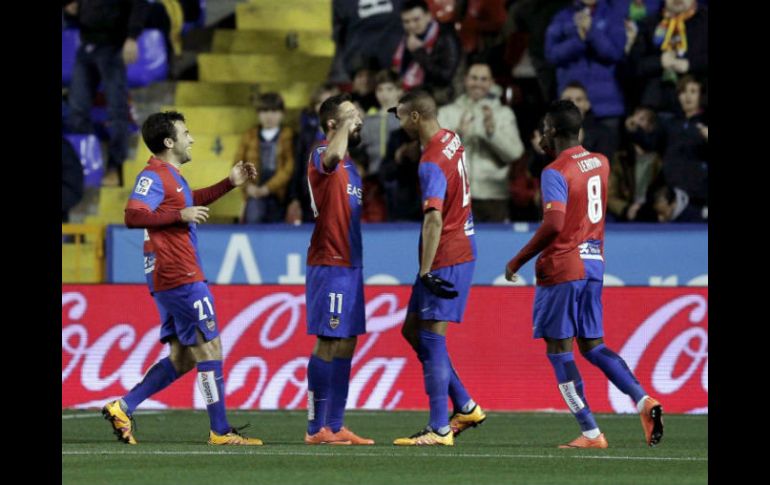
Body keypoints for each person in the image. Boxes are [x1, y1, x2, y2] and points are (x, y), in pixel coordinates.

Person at [504, 100, 664, 448]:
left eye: (545, 129)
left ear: (556, 132)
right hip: (594, 263)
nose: (542, 136)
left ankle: (591, 432)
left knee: (559, 351)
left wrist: (517, 260)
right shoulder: (601, 162)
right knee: (593, 345)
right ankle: (642, 400)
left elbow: (555, 223)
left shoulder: (555, 171)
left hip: (563, 266)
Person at [101, 111, 263, 446]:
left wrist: (228, 184)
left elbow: (189, 203)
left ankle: (123, 406)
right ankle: (220, 430)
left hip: (174, 274)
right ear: (169, 142)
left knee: (184, 356)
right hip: (178, 273)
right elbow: (133, 215)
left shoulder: (173, 176)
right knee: (209, 346)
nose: (192, 139)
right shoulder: (154, 175)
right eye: (185, 133)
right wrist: (179, 215)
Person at [389, 91, 485, 446]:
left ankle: (439, 428)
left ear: (416, 117)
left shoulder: (430, 161)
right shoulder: (451, 138)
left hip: (447, 253)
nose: (398, 124)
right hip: (460, 244)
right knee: (413, 331)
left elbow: (433, 219)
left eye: (400, 116)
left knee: (430, 336)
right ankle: (465, 405)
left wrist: (426, 270)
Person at [304, 94, 374, 446]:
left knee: (347, 342)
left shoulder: (352, 166)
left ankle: (335, 424)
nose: (359, 118)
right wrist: (345, 124)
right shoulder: (322, 154)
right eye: (350, 115)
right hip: (329, 263)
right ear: (333, 124)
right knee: (329, 341)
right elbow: (331, 154)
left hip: (350, 265)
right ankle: (316, 427)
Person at [64, 0, 149, 187]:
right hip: (87, 45)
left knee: (116, 111)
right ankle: (85, 165)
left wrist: (132, 37)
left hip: (114, 46)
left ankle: (115, 168)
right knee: (76, 110)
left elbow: (139, 5)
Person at [437, 61, 525, 222]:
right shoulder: (447, 113)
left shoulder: (503, 114)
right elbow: (436, 156)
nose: (478, 83)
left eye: (484, 79)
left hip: (493, 197)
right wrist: (458, 135)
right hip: (455, 196)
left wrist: (492, 134)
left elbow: (514, 153)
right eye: (474, 78)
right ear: (465, 80)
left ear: (491, 83)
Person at [234, 92, 294, 223]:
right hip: (254, 192)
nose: (269, 115)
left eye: (274, 111)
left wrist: (268, 188)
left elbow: (289, 167)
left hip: (280, 194)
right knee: (253, 220)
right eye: (264, 111)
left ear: (282, 113)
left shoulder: (288, 135)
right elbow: (237, 165)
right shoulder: (249, 135)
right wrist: (248, 187)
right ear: (258, 113)